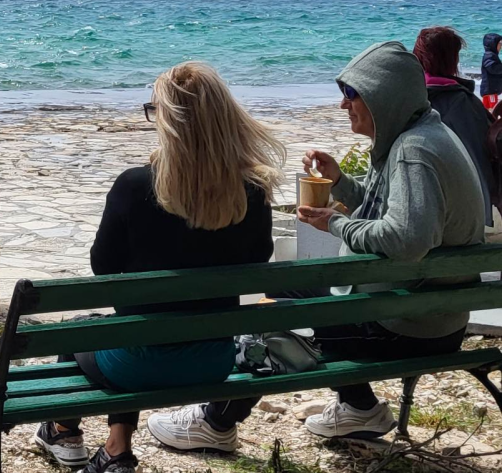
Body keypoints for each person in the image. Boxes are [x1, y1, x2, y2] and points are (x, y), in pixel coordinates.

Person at [148, 41, 484, 451]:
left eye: (352, 93)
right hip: (424, 311)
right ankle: (359, 407)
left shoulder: (413, 151)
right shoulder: (422, 135)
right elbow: (394, 213)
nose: (343, 104)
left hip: (406, 328)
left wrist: (335, 223)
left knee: (266, 312)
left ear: (384, 96)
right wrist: (340, 182)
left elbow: (406, 239)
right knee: (283, 287)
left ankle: (216, 423)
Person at [34, 62, 284, 473]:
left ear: (170, 121)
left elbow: (103, 267)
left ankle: (71, 434)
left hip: (137, 365)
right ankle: (109, 447)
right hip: (213, 361)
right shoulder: (252, 192)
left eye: (155, 110)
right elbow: (257, 260)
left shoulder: (134, 186)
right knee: (127, 331)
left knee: (84, 330)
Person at [415, 27, 494, 226]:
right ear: (452, 59)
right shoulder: (460, 101)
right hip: (460, 209)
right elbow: (479, 158)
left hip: (418, 199)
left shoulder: (410, 96)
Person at [481, 33, 502, 112]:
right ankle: (491, 118)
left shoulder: (490, 55)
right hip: (490, 89)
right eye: (499, 44)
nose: (501, 46)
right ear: (493, 44)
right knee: (493, 108)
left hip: (489, 89)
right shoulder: (490, 55)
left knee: (487, 108)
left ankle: (486, 117)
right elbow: (492, 68)